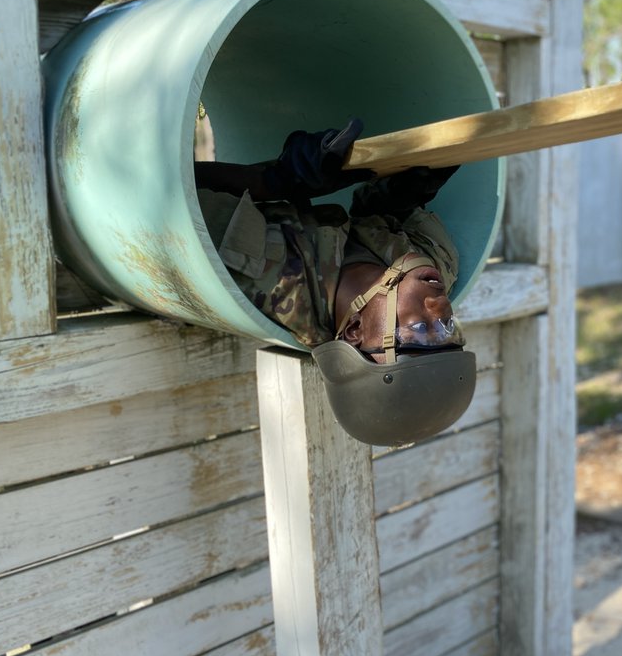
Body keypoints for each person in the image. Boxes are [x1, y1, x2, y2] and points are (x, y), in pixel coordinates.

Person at [194, 116, 475, 447]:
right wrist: (397, 194)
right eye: (447, 327)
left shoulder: (258, 271)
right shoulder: (438, 265)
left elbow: (166, 193)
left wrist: (271, 180)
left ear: (355, 332)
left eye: (420, 331)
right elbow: (380, 213)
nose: (440, 306)